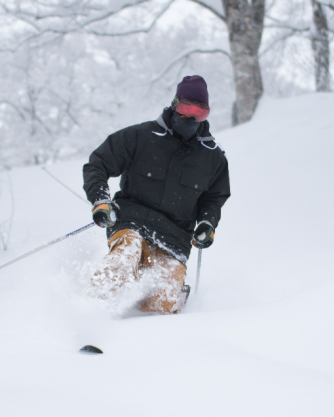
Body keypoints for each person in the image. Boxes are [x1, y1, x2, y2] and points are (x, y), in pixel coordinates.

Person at [82, 75, 231, 314]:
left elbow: (214, 197)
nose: (191, 118)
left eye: (199, 113)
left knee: (159, 305)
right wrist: (100, 200)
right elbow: (98, 163)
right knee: (124, 258)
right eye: (185, 109)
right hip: (131, 221)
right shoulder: (142, 136)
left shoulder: (213, 157)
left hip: (174, 239)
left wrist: (207, 222)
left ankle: (165, 304)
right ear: (174, 105)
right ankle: (92, 314)